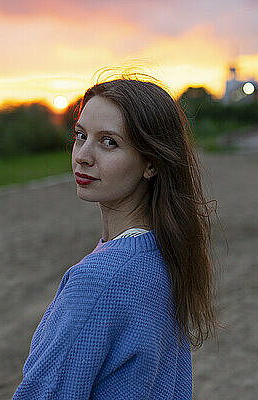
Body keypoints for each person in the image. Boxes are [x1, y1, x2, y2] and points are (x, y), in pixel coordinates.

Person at [12, 72, 220, 399]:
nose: (82, 155)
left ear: (150, 163)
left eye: (109, 142)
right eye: (81, 135)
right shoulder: (163, 255)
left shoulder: (98, 281)